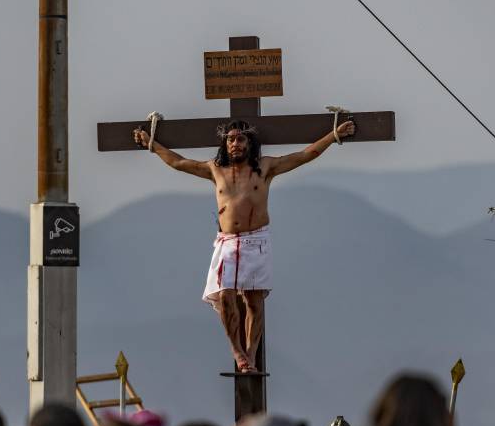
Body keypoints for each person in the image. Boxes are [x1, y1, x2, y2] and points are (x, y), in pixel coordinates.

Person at [133, 118, 356, 372]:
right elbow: (178, 162)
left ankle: (250, 353)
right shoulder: (215, 169)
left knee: (253, 301)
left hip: (256, 240)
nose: (235, 144)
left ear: (250, 143)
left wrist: (333, 135)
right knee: (225, 294)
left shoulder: (265, 167)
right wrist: (152, 144)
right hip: (228, 242)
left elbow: (304, 155)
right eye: (230, 139)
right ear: (225, 143)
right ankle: (237, 351)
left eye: (240, 139)